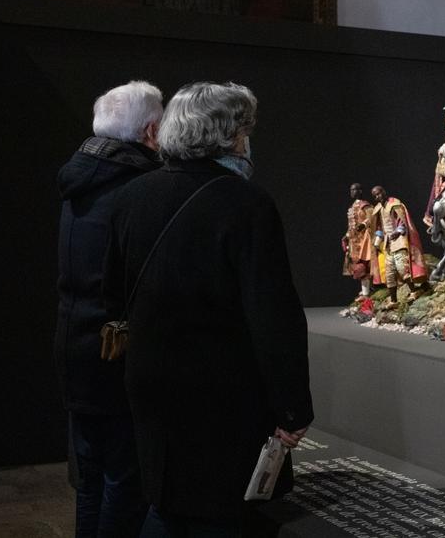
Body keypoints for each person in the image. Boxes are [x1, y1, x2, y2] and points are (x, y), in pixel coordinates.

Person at [104, 81, 313, 536]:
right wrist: (293, 408)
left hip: (149, 380)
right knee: (226, 515)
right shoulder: (246, 204)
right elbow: (273, 315)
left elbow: (112, 290)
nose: (247, 141)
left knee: (165, 502)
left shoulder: (131, 198)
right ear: (227, 136)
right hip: (222, 394)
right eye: (243, 130)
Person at [56, 80, 163, 537]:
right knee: (123, 477)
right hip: (113, 350)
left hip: (74, 343)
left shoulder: (82, 175)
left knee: (91, 477)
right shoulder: (139, 186)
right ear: (151, 131)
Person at [367, 185, 428, 305]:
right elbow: (379, 227)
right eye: (375, 196)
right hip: (387, 244)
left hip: (399, 241)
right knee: (389, 273)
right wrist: (377, 241)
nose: (378, 197)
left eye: (379, 193)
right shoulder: (378, 208)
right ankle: (393, 300)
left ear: (384, 192)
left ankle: (414, 291)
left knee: (402, 268)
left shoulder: (394, 204)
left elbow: (402, 221)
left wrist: (398, 231)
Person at [342, 182, 375, 298]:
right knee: (357, 266)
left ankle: (368, 292)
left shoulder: (366, 205)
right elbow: (351, 225)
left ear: (360, 191)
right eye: (351, 190)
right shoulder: (351, 208)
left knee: (365, 264)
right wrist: (346, 235)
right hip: (354, 241)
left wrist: (364, 224)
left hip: (364, 239)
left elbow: (372, 218)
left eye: (355, 190)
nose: (353, 192)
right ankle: (365, 291)